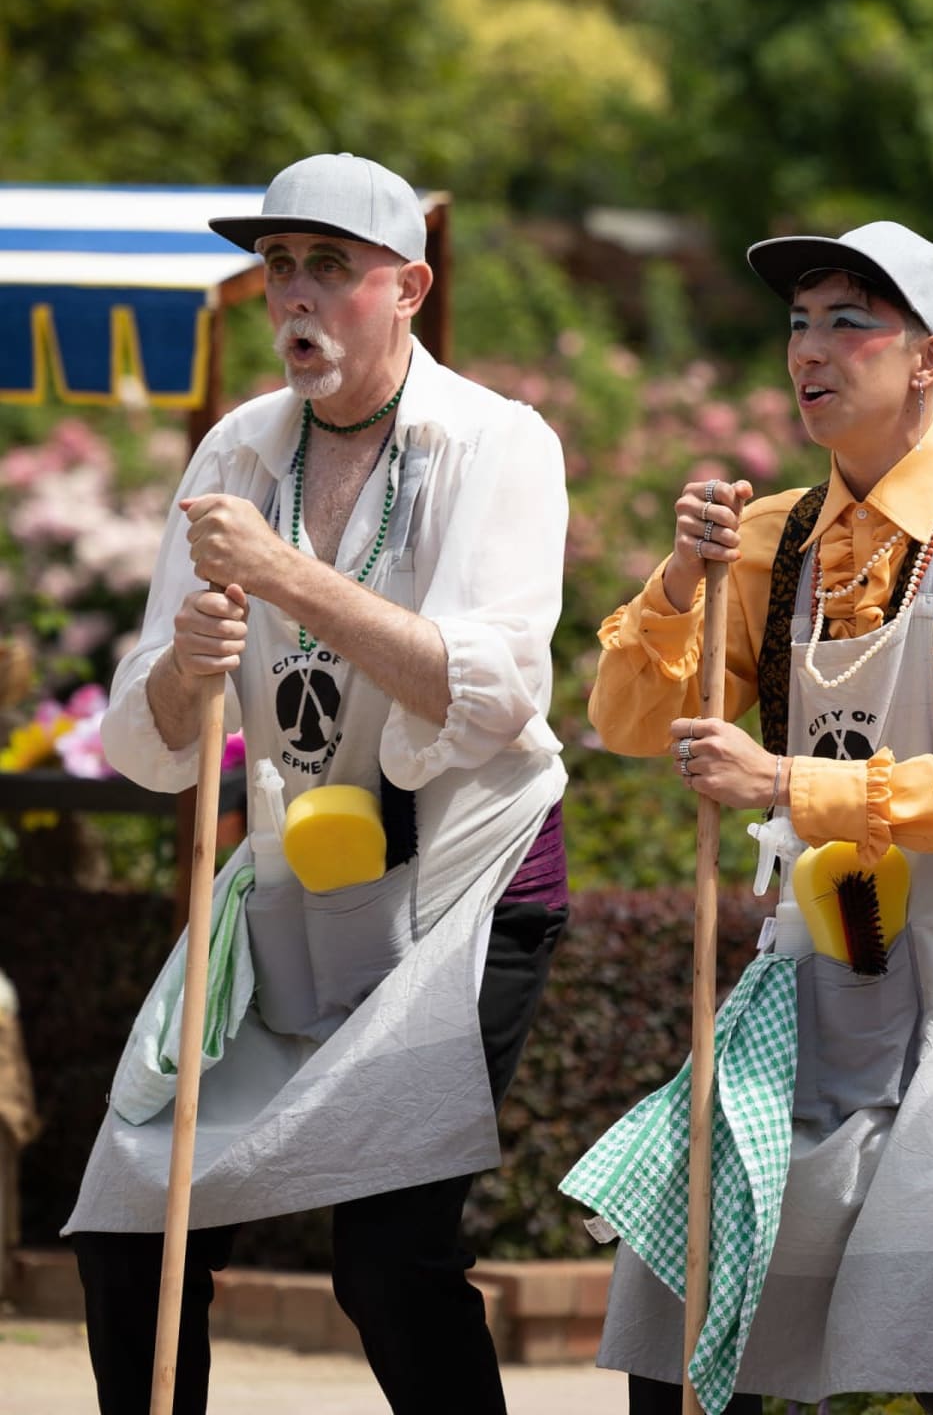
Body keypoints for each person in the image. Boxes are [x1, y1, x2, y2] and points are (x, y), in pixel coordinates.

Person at [65, 153, 570, 1415]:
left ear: (410, 289)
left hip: (466, 886)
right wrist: (184, 670)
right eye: (278, 265)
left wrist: (286, 577)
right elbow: (148, 741)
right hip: (294, 886)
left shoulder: (499, 443)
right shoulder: (237, 450)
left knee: (390, 1263)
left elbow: (489, 694)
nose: (293, 293)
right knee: (132, 1225)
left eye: (329, 267)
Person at [585, 221, 933, 1412]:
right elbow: (625, 718)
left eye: (849, 323)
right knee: (686, 1278)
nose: (809, 349)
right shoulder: (765, 537)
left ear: (931, 358)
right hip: (816, 960)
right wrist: (676, 581)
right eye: (799, 323)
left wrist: (787, 784)